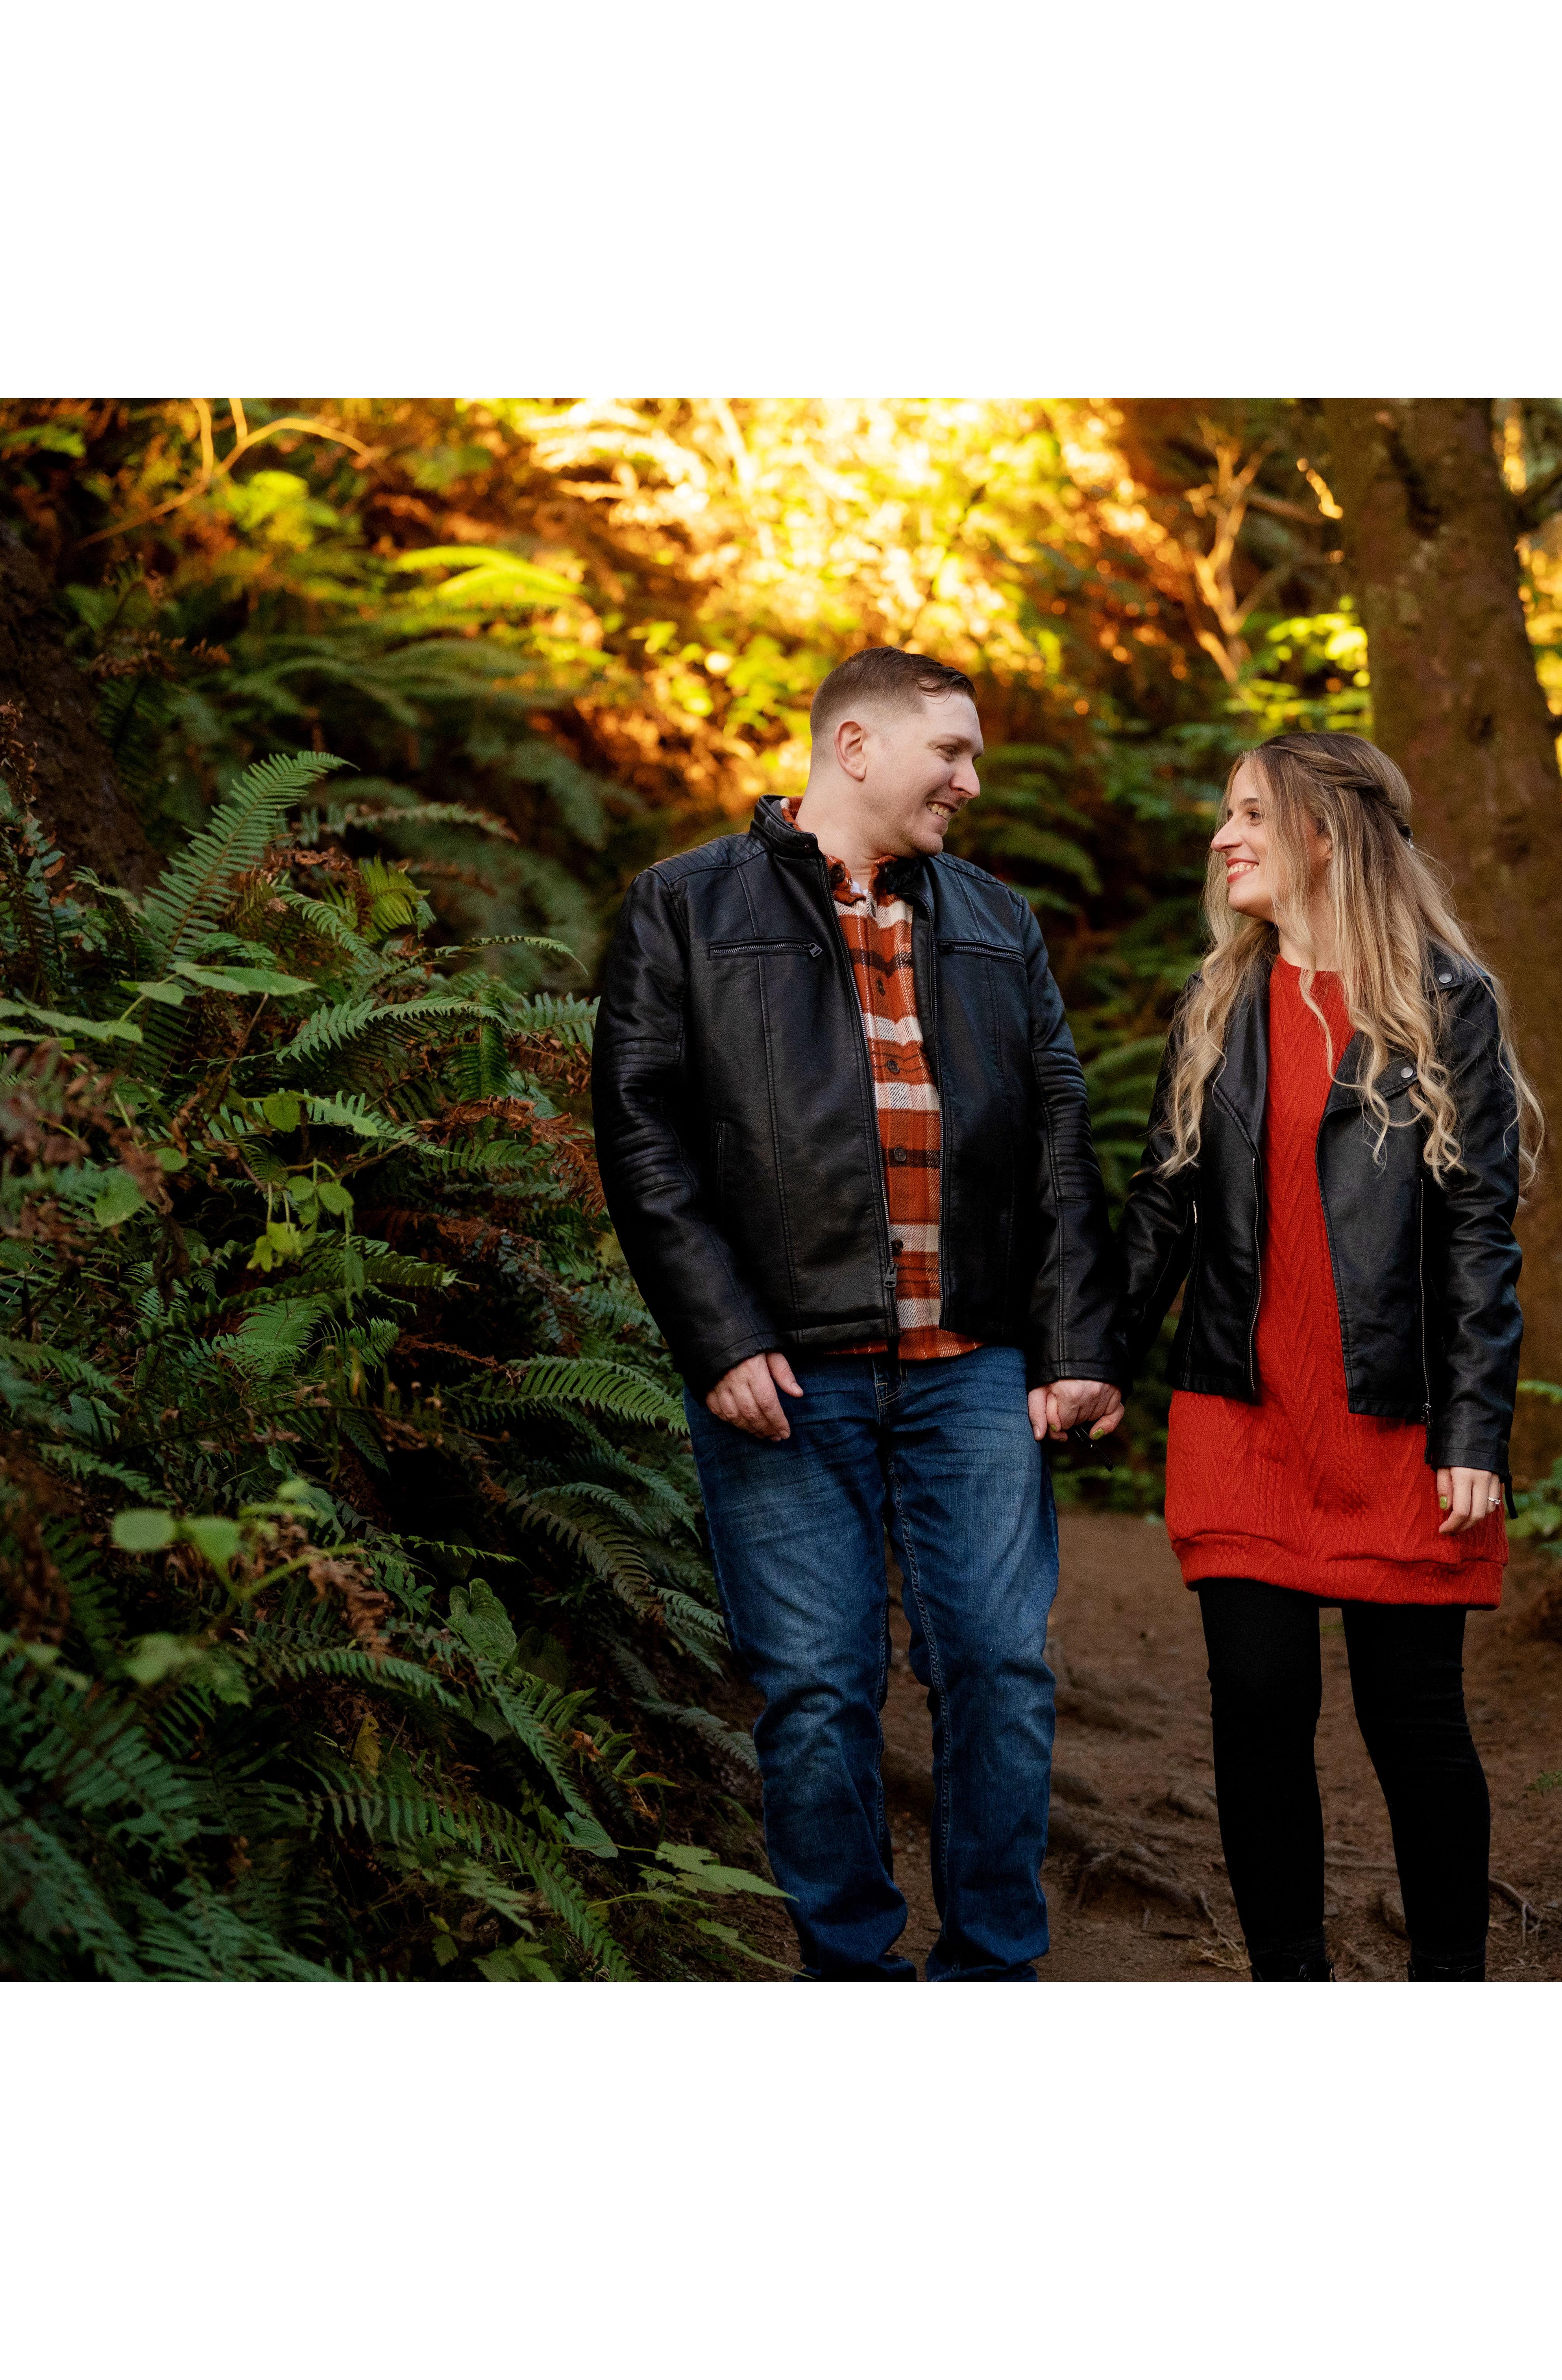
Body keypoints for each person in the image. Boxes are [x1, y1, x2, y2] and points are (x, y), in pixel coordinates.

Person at [592, 646, 1126, 1980]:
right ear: (855, 748)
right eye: (951, 752)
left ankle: (994, 1971)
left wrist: (1073, 1346)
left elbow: (1062, 1138)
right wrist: (718, 1336)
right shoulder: (682, 909)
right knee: (817, 1693)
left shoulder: (998, 926)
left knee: (1000, 1676)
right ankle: (852, 1974)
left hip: (977, 1371)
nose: (972, 780)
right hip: (785, 1375)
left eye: (978, 756)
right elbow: (641, 1136)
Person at [1118, 731, 1538, 1982]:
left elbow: (1477, 1236)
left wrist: (1475, 1428)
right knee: (1257, 1716)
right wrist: (1089, 1360)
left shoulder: (1444, 1001)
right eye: (1224, 813)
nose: (1222, 836)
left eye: (1251, 812)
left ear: (1324, 833)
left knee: (1413, 1728)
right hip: (1242, 1418)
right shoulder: (1217, 1002)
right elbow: (1160, 1208)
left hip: (1395, 1420)